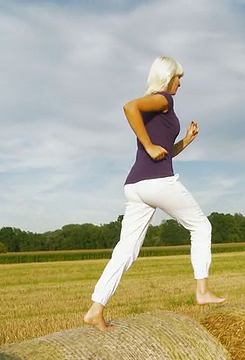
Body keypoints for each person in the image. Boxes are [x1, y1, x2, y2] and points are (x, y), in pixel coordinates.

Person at [84, 56, 226, 331]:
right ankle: (202, 290)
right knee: (201, 227)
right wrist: (148, 145)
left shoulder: (157, 107)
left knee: (126, 251)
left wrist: (185, 140)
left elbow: (165, 152)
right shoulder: (163, 100)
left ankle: (95, 308)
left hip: (136, 185)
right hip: (157, 182)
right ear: (167, 77)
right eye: (178, 78)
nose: (180, 83)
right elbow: (129, 107)